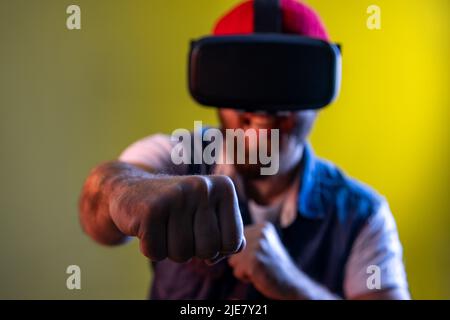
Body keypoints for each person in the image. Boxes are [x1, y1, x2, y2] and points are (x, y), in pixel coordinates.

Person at [79, 0, 410, 300]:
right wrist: (127, 192)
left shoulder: (362, 215)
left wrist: (291, 285)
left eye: (289, 85)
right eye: (244, 80)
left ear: (318, 92)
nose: (263, 113)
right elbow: (99, 205)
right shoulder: (176, 159)